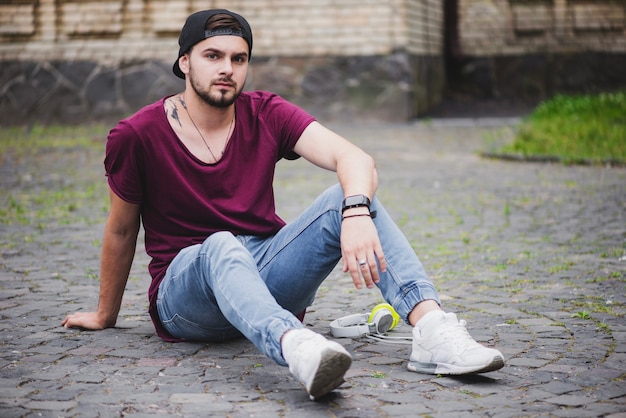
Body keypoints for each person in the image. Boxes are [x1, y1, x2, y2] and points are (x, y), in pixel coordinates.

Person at [62, 9, 504, 400]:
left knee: (347, 196)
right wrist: (105, 314)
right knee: (221, 244)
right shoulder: (136, 135)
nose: (227, 69)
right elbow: (121, 229)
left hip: (263, 275)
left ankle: (432, 330)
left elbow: (354, 158)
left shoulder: (265, 113)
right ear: (184, 62)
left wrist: (354, 212)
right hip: (186, 294)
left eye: (238, 59)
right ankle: (295, 345)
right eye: (212, 56)